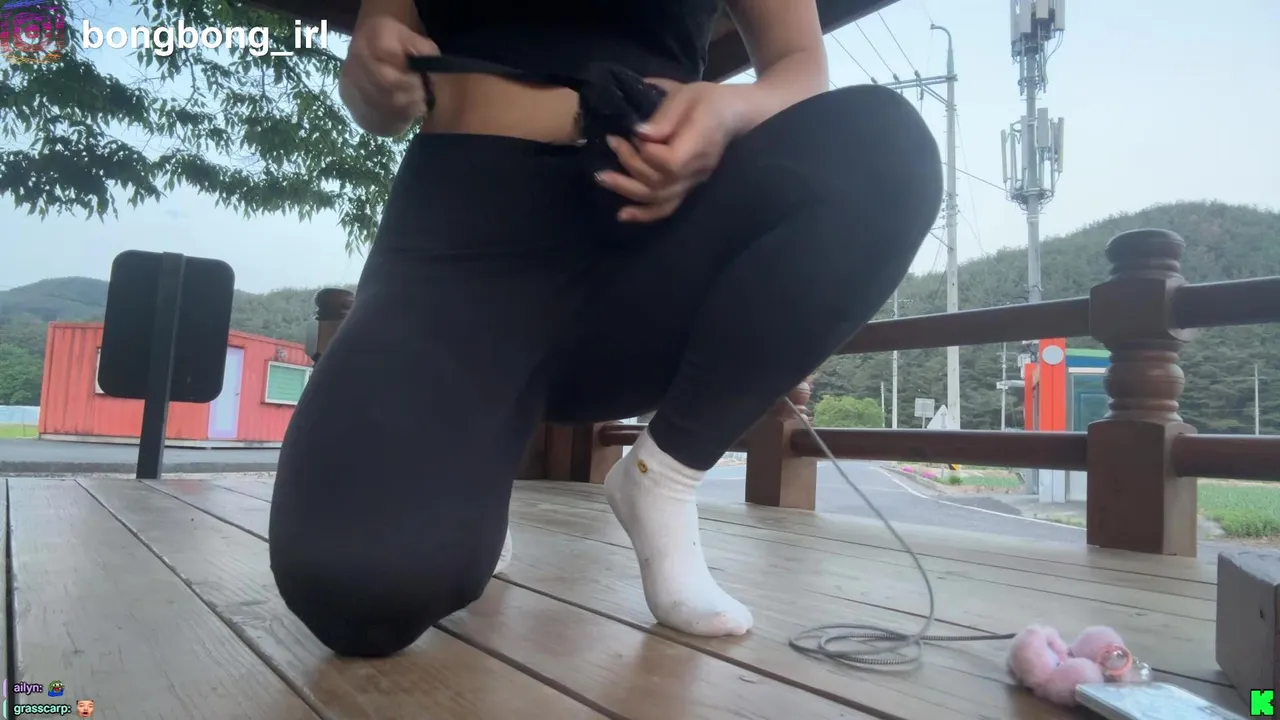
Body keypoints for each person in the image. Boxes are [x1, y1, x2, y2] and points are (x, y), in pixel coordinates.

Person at [268, 0, 943, 658]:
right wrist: (371, 77)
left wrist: (727, 109)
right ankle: (473, 471)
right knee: (355, 584)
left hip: (655, 233)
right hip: (459, 238)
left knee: (884, 149)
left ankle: (663, 477)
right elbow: (380, 62)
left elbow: (799, 66)